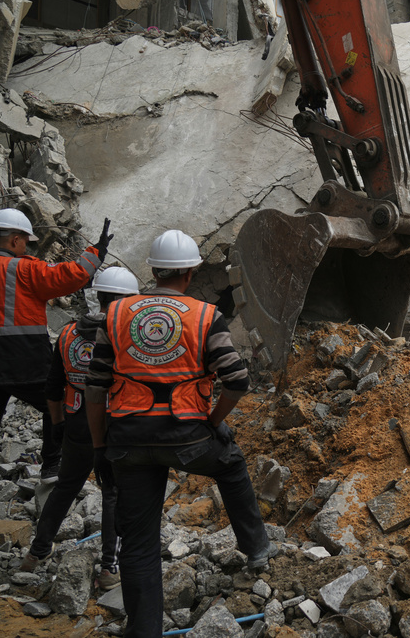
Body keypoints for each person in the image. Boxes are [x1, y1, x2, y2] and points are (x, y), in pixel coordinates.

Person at [85, 229, 273, 638]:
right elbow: (237, 380)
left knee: (138, 543)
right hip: (187, 439)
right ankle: (257, 549)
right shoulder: (206, 316)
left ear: (153, 270)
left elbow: (95, 389)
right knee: (231, 464)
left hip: (128, 442)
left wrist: (101, 447)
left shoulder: (114, 315)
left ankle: (144, 631)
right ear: (189, 273)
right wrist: (214, 421)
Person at [0, 209, 111, 532]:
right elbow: (68, 276)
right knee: (55, 401)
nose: (27, 249)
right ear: (15, 240)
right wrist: (96, 253)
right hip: (23, 361)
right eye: (26, 243)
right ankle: (50, 465)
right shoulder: (24, 270)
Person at [19, 266, 140, 589]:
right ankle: (109, 569)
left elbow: (52, 387)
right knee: (112, 493)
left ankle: (36, 552)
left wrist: (57, 425)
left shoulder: (69, 333)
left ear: (98, 296)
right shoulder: (125, 334)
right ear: (127, 300)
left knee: (66, 487)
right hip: (114, 424)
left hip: (76, 422)